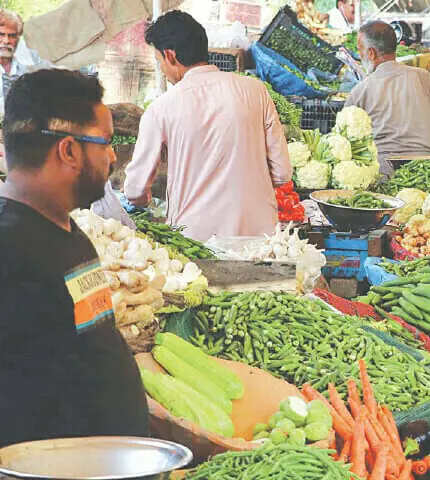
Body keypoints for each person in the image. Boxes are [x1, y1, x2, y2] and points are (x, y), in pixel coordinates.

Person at [0, 69, 148, 447]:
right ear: (68, 150)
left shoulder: (64, 227)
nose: (113, 156)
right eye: (105, 143)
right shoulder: (10, 250)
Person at [124, 11, 291, 242]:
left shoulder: (161, 108)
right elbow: (283, 173)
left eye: (159, 60)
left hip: (197, 243)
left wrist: (147, 202)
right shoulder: (255, 90)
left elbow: (134, 190)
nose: (162, 68)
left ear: (170, 56)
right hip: (261, 239)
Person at [346, 21, 430, 176]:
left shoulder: (359, 91)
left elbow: (346, 139)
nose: (360, 56)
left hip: (384, 171)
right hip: (426, 169)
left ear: (371, 53)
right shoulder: (422, 77)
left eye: (360, 52)